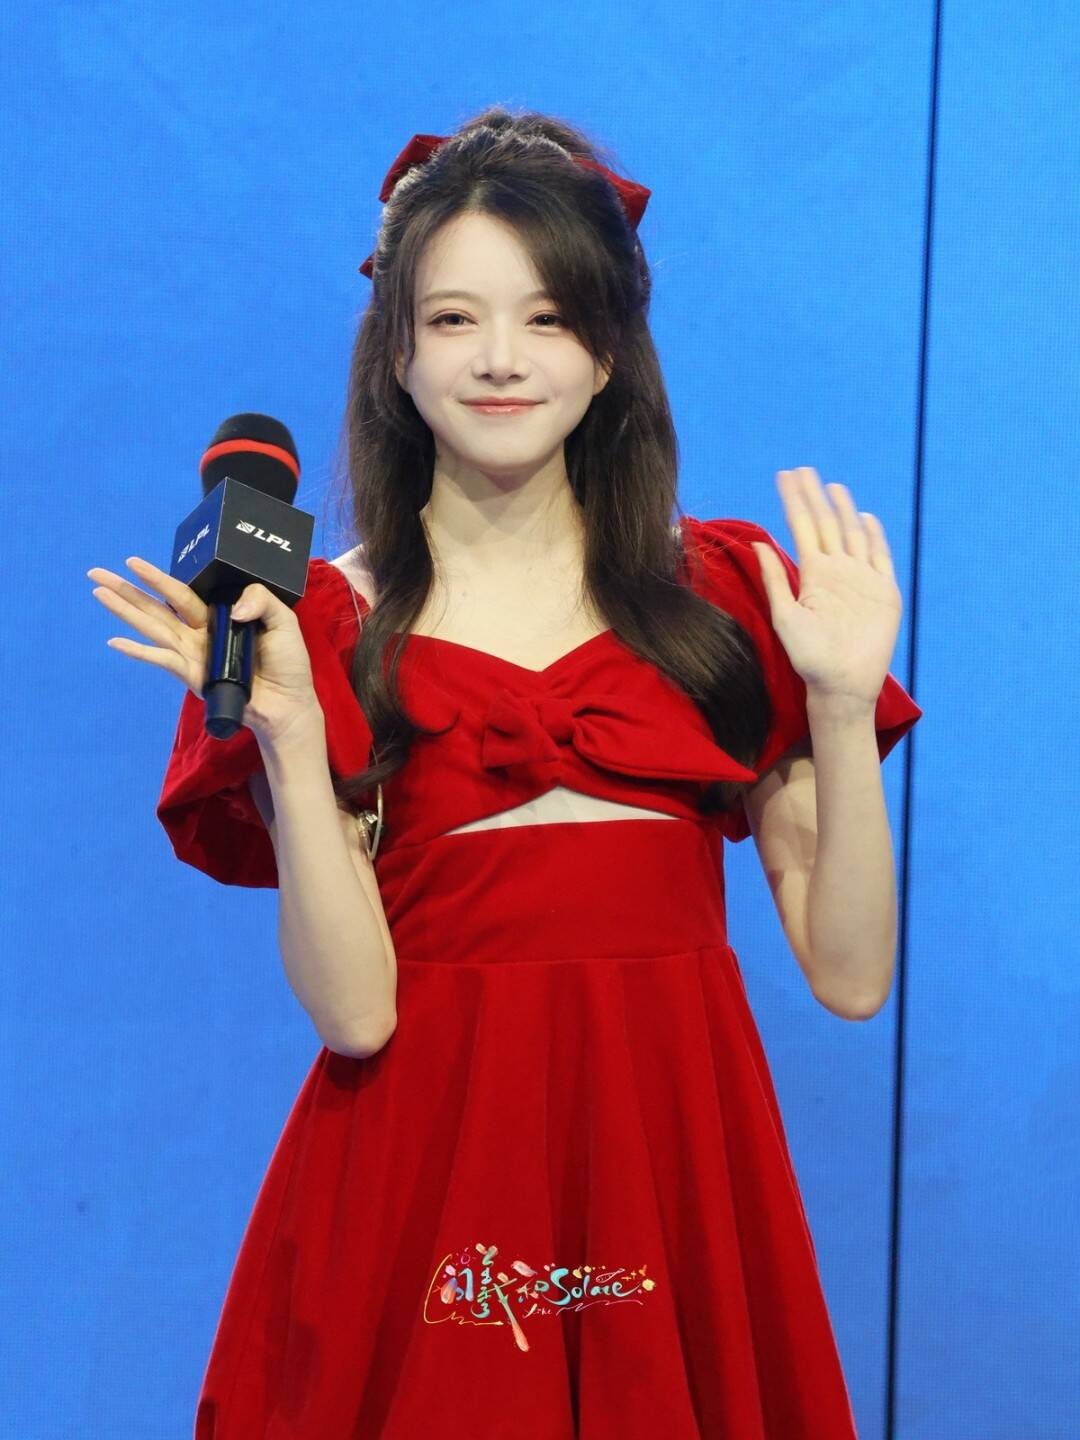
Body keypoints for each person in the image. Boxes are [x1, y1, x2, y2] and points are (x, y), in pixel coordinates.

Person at [89, 105, 921, 1438]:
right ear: (398, 351)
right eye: (454, 318)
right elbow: (356, 1018)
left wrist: (834, 701)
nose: (500, 360)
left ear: (608, 351)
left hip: (666, 1190)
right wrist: (290, 741)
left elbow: (853, 975)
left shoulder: (726, 600)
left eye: (546, 318)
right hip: (418, 1201)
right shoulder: (324, 628)